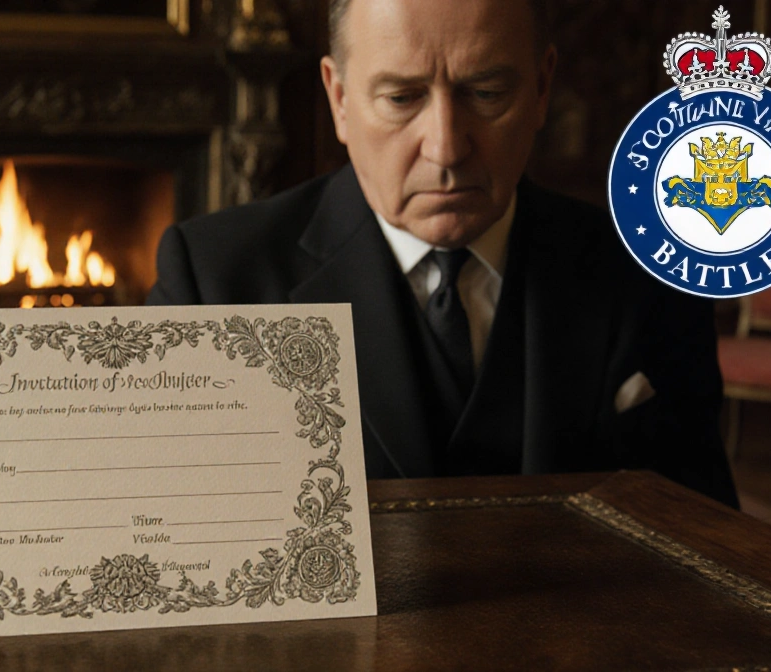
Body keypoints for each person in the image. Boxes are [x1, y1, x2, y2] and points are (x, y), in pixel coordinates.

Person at [146, 0, 738, 507]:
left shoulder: (650, 272)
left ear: (541, 87)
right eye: (402, 98)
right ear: (340, 98)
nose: (447, 148)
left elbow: (704, 543)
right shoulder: (214, 279)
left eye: (486, 93)